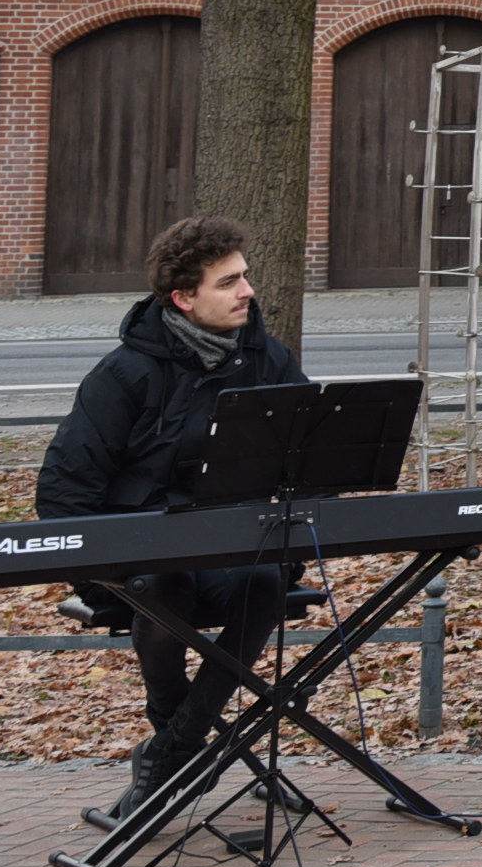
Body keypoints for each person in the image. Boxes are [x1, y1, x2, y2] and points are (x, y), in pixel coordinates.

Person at [38, 217, 306, 822]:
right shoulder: (124, 374)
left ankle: (171, 752)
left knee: (263, 583)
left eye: (246, 277)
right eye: (229, 282)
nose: (248, 292)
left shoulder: (270, 360)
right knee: (163, 590)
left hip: (233, 546)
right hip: (143, 556)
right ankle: (181, 731)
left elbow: (311, 463)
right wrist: (92, 577)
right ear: (184, 299)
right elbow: (65, 486)